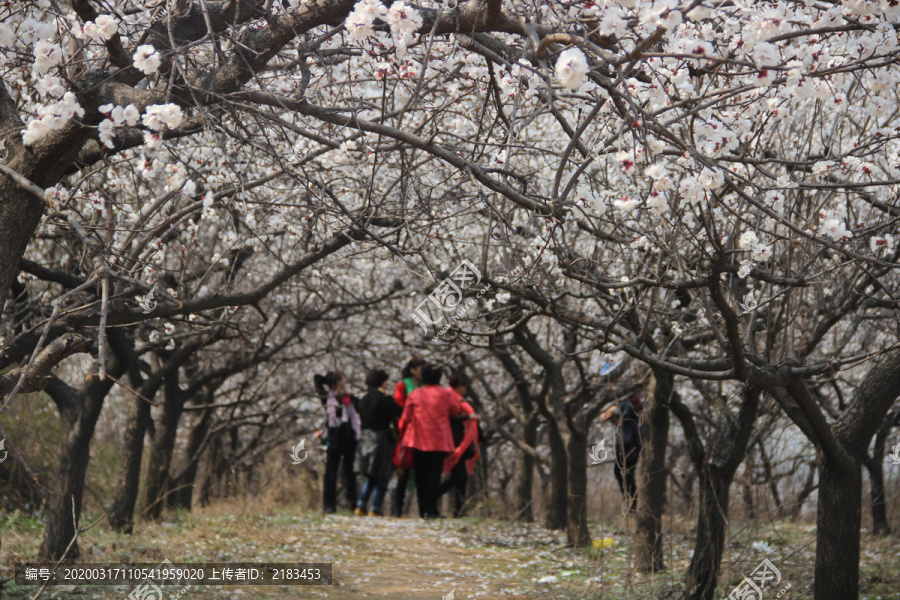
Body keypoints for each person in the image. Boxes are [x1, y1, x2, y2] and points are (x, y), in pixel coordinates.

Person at [399, 364, 478, 518]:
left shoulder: (415, 394)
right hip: (438, 441)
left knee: (420, 475)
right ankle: (432, 510)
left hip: (418, 440)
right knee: (434, 476)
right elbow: (455, 410)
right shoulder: (445, 395)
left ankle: (423, 510)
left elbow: (406, 418)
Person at [355, 369, 403, 516]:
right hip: (382, 439)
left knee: (371, 473)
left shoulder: (362, 400)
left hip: (365, 439)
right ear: (382, 382)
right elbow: (401, 412)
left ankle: (361, 505)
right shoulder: (385, 400)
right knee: (383, 473)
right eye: (386, 380)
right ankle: (375, 507)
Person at [315, 371, 360, 514]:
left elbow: (356, 412)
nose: (345, 382)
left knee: (350, 471)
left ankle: (352, 503)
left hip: (348, 435)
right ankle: (329, 505)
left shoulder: (348, 398)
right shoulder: (327, 397)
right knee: (331, 471)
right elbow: (316, 379)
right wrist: (330, 380)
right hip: (334, 435)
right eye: (342, 380)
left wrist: (345, 396)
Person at [439, 372, 480, 517]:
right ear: (459, 386)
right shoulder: (450, 398)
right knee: (459, 477)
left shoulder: (458, 398)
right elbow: (450, 417)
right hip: (454, 442)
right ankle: (436, 496)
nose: (466, 389)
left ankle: (459, 509)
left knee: (461, 477)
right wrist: (468, 416)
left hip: (458, 443)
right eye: (464, 386)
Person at [391, 356, 426, 517]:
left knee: (421, 471)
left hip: (424, 432)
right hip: (407, 432)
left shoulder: (426, 385)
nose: (422, 372)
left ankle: (423, 510)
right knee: (403, 469)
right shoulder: (402, 385)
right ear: (412, 370)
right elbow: (397, 408)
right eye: (420, 368)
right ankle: (397, 508)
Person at [600, 394, 644, 510]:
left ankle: (631, 503)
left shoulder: (628, 403)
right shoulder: (625, 404)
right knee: (621, 472)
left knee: (625, 472)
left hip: (629, 445)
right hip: (625, 443)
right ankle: (629, 501)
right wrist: (608, 414)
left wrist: (614, 410)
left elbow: (625, 412)